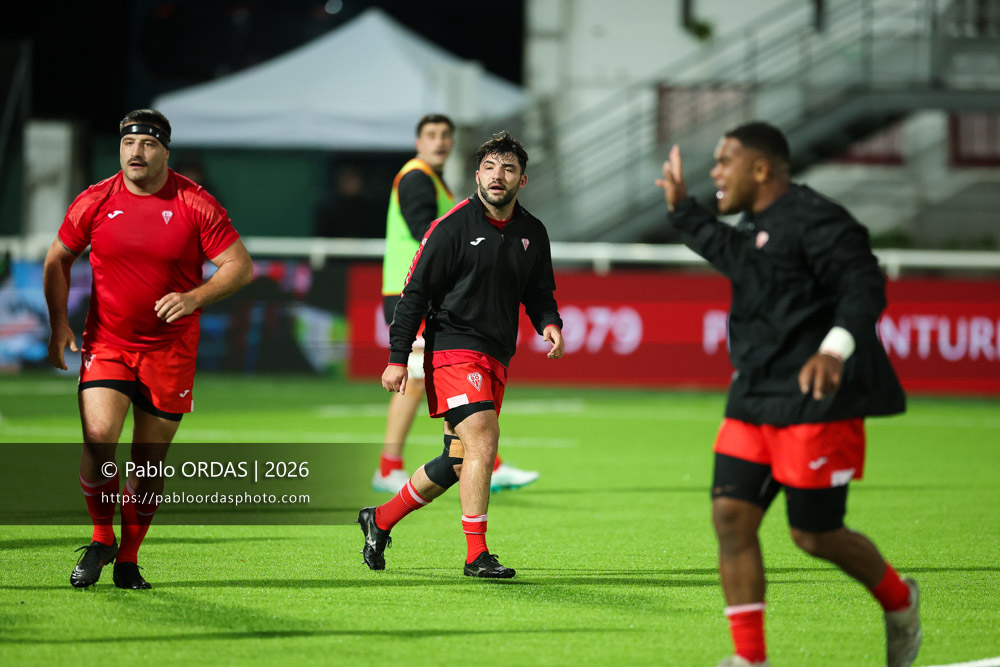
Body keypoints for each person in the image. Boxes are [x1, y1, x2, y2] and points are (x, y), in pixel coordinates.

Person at [655, 121, 920, 667]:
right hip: (754, 396)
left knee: (815, 535)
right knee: (730, 517)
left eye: (725, 161)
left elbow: (863, 284)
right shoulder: (756, 226)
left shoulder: (817, 218)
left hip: (815, 399)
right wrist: (682, 209)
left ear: (761, 168)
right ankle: (749, 659)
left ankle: (899, 600)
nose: (715, 172)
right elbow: (728, 249)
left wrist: (834, 349)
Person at [43, 109, 253, 590]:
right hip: (108, 344)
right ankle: (101, 537)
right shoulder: (95, 200)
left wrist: (194, 297)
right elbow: (58, 258)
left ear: (165, 152)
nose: (136, 152)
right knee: (98, 440)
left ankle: (128, 560)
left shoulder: (195, 202)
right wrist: (59, 326)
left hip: (170, 352)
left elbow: (239, 266)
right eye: (129, 143)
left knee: (147, 464)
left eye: (149, 144)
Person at [358, 131, 564, 578]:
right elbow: (413, 295)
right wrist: (397, 357)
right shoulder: (450, 227)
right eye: (490, 167)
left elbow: (539, 290)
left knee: (459, 458)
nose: (498, 176)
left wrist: (549, 321)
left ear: (522, 180)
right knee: (484, 439)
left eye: (508, 169)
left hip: (496, 355)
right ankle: (476, 555)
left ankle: (380, 518)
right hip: (452, 349)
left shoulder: (533, 232)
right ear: (476, 175)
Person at [375, 114, 540, 494]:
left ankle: (469, 459)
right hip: (411, 294)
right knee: (415, 381)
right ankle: (392, 467)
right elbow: (427, 235)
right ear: (418, 142)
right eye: (431, 135)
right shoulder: (416, 176)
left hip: (426, 293)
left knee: (429, 381)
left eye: (446, 135)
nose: (440, 142)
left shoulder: (434, 181)